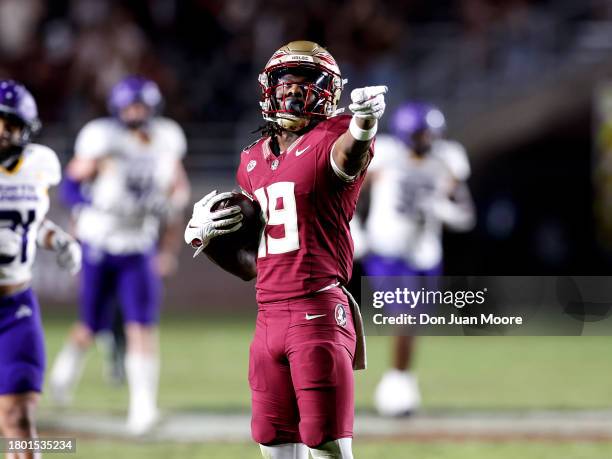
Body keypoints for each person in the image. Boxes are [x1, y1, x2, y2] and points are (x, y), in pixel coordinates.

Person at [185, 40, 387, 459]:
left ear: (328, 91)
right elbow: (248, 268)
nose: (293, 92)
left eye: (305, 84)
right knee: (272, 443)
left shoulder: (337, 134)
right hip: (268, 316)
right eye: (285, 84)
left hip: (317, 311)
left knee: (326, 444)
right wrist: (206, 241)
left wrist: (364, 125)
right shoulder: (251, 160)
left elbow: (349, 156)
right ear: (268, 90)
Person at [49, 76, 190, 435]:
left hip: (138, 243)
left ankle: (142, 409)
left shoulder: (166, 138)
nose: (136, 113)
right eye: (130, 106)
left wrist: (171, 206)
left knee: (141, 325)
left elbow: (179, 188)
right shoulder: (102, 137)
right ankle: (64, 374)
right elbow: (69, 186)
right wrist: (92, 201)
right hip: (99, 240)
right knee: (90, 324)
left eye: (141, 106)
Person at [359, 102, 475, 416]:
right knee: (404, 317)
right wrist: (354, 229)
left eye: (432, 134)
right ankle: (396, 388)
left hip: (425, 254)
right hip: (387, 250)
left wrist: (441, 209)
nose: (429, 140)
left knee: (413, 322)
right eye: (423, 134)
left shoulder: (447, 158)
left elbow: (466, 215)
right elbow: (352, 192)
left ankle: (401, 383)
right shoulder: (383, 154)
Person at [0, 79, 82, 458]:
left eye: (10, 124)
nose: (2, 132)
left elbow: (30, 223)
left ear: (26, 129)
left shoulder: (40, 164)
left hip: (15, 305)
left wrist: (59, 240)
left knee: (19, 420)